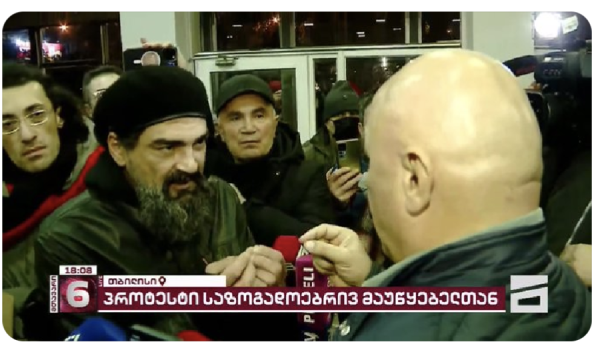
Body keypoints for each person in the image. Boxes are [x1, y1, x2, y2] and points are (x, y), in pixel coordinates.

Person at [299, 49, 591, 341]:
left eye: (374, 164)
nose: (368, 182)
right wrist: (373, 281)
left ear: (415, 179)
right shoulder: (551, 283)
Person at [33, 67, 294, 340]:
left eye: (199, 143)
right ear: (118, 148)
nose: (191, 164)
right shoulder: (65, 240)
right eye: (168, 147)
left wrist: (272, 294)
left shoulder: (220, 198)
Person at [3, 63, 102, 289]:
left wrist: (30, 305)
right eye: (7, 124)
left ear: (58, 117)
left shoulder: (105, 177)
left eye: (36, 115)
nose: (27, 135)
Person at [206, 74, 334, 246]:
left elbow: (319, 243)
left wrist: (247, 209)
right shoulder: (204, 177)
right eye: (235, 118)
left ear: (275, 124)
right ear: (219, 130)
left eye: (258, 116)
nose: (249, 128)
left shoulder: (306, 175)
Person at [303, 81, 368, 229]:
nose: (347, 120)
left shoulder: (370, 151)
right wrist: (332, 198)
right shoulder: (308, 155)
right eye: (340, 116)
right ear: (327, 123)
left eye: (353, 115)